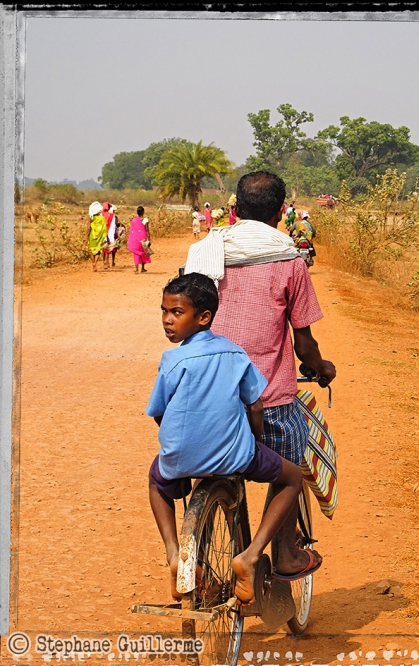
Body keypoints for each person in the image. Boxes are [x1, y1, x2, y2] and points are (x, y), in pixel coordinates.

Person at [184, 171, 336, 577]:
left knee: (207, 464)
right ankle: (284, 552)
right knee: (290, 460)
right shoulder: (289, 261)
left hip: (204, 399)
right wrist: (320, 367)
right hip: (267, 402)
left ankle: (192, 557)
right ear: (281, 211)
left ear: (235, 208)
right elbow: (303, 344)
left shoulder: (203, 254)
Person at [146, 272, 315, 605]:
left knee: (156, 481)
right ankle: (251, 556)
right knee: (293, 478)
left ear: (204, 317)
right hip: (235, 454)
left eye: (176, 312)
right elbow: (255, 404)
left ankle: (174, 554)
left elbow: (159, 412)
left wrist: (178, 445)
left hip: (180, 457)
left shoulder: (173, 360)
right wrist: (255, 441)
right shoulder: (236, 354)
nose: (167, 319)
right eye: (165, 311)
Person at [127, 206, 151, 273]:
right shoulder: (145, 220)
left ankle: (137, 269)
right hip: (143, 238)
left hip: (135, 239)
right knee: (144, 252)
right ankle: (143, 268)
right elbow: (147, 230)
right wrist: (149, 239)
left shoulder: (134, 220)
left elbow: (132, 230)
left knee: (136, 253)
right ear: (143, 212)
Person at [87, 201, 107, 272]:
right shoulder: (102, 218)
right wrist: (104, 237)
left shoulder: (91, 218)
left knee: (92, 251)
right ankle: (95, 263)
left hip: (92, 236)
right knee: (98, 251)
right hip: (99, 237)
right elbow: (104, 228)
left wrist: (86, 237)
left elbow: (88, 228)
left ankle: (93, 263)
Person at [101, 202, 119, 269]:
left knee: (103, 248)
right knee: (108, 248)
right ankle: (107, 261)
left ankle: (104, 262)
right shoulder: (112, 216)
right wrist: (110, 236)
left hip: (101, 233)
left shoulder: (100, 215)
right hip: (109, 233)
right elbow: (112, 227)